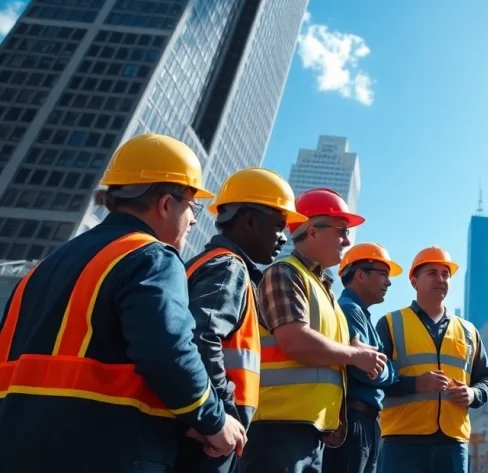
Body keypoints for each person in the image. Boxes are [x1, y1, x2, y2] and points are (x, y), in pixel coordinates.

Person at [0, 133, 248, 472]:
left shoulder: (41, 270)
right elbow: (169, 352)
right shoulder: (152, 257)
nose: (193, 220)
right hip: (108, 449)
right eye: (192, 207)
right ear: (165, 204)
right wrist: (214, 420)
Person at [239, 188, 387, 473]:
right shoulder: (284, 272)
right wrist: (354, 356)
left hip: (313, 430)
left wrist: (355, 353)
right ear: (313, 231)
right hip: (278, 430)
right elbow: (295, 340)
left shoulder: (324, 290)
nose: (347, 239)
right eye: (341, 230)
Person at [177, 168, 308, 473]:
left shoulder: (204, 263)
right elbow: (201, 338)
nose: (283, 238)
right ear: (249, 221)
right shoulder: (228, 267)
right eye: (279, 226)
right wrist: (220, 414)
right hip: (210, 436)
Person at [376, 246, 488, 473]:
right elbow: (374, 375)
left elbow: (487, 378)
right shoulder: (391, 323)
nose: (440, 279)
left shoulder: (468, 331)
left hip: (453, 443)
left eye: (445, 274)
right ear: (414, 281)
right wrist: (415, 384)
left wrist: (473, 393)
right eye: (432, 273)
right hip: (403, 441)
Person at [322, 243, 403, 473]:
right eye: (383, 275)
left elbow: (378, 365)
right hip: (353, 421)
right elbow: (366, 370)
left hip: (364, 422)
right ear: (359, 275)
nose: (388, 283)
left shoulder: (362, 315)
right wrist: (388, 368)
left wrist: (384, 365)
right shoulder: (349, 311)